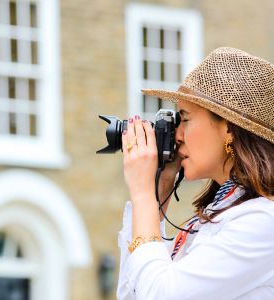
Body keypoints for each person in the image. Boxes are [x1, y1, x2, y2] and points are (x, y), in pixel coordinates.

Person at [116, 47, 274, 299]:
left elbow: (162, 295)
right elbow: (132, 294)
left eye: (185, 119)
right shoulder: (216, 215)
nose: (176, 136)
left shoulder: (264, 221)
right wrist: (160, 190)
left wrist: (143, 194)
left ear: (229, 129)